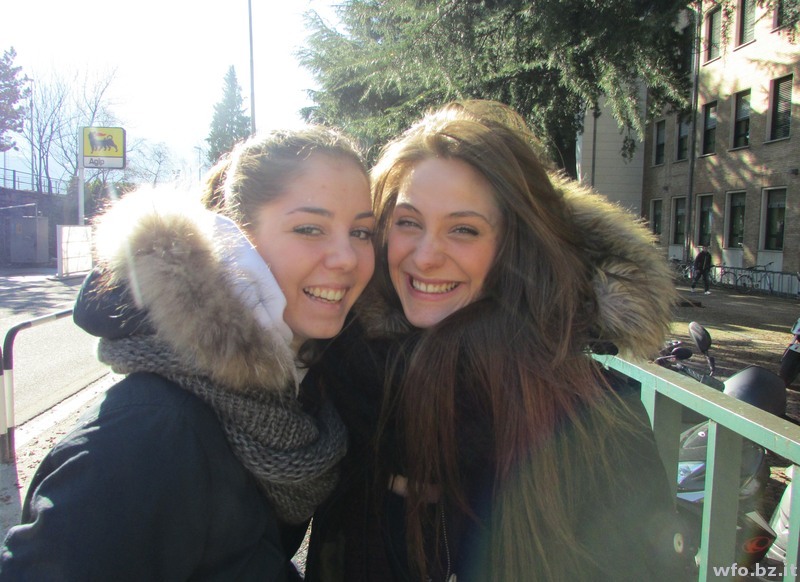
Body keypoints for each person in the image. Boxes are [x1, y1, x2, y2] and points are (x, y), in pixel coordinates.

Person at [304, 100, 691, 581]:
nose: (425, 257)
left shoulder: (590, 414)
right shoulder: (342, 375)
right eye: (408, 222)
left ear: (512, 245)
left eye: (463, 229)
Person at [0, 126, 376, 580]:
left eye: (361, 231)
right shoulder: (147, 433)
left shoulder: (301, 392)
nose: (347, 257)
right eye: (310, 228)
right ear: (235, 238)